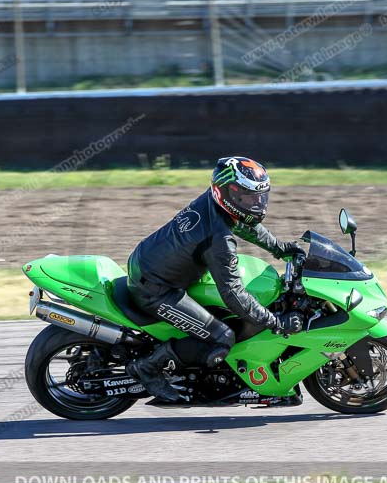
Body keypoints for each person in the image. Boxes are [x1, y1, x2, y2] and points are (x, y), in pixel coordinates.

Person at [126, 156, 305, 401]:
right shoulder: (219, 239)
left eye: (259, 196)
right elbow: (233, 294)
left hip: (150, 262)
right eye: (247, 197)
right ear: (227, 193)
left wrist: (280, 248)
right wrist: (274, 322)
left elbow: (244, 224)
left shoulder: (214, 202)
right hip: (156, 289)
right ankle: (148, 367)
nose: (256, 203)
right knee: (222, 336)